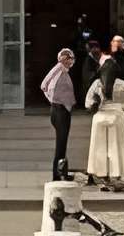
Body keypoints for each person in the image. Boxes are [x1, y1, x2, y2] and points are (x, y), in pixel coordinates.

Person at [82, 58, 124, 188]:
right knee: (117, 148)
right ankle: (115, 176)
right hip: (117, 118)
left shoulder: (96, 84)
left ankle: (103, 178)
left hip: (100, 117)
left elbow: (87, 103)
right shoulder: (123, 85)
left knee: (100, 149)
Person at [39, 47, 79, 179]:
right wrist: (53, 100)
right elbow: (44, 85)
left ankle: (63, 172)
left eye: (70, 58)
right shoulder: (59, 68)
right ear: (62, 58)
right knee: (60, 145)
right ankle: (57, 175)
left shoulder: (64, 71)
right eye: (67, 58)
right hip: (60, 111)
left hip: (62, 110)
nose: (70, 61)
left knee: (63, 144)